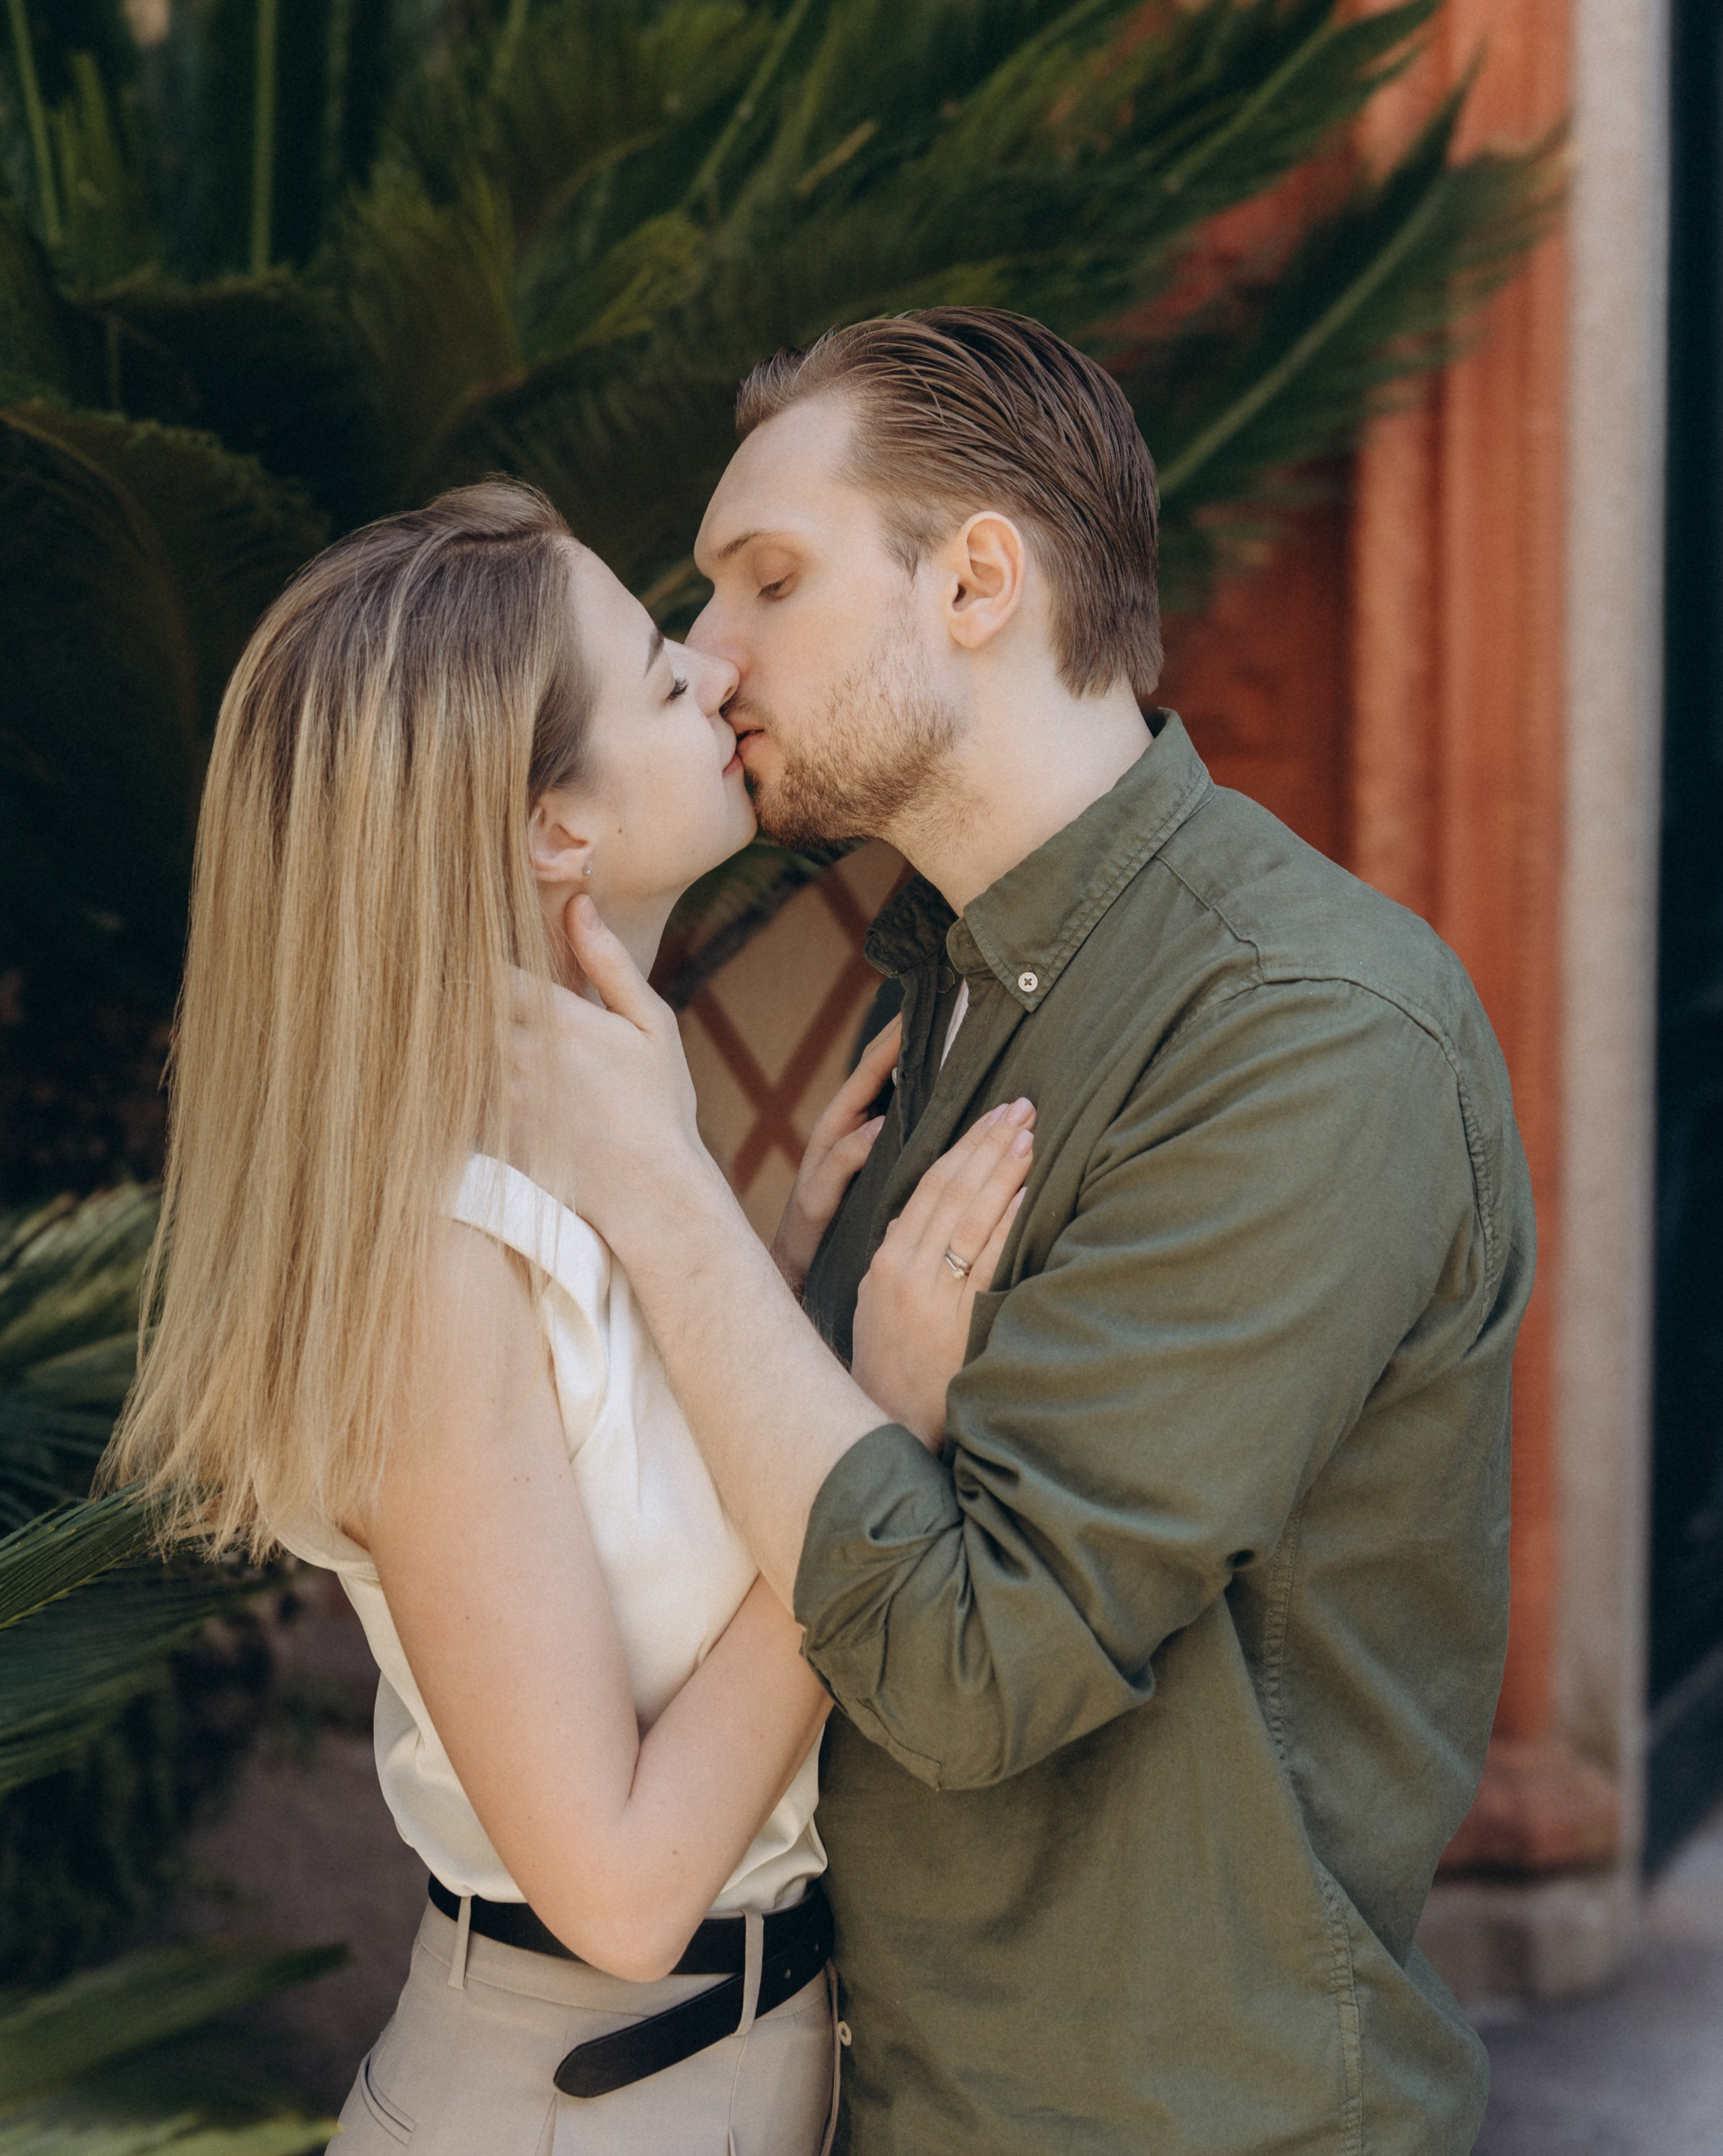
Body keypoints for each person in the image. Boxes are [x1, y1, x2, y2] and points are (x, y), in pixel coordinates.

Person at [508, 308, 1537, 2156]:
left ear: (977, 582)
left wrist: (664, 1191)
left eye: (768, 578)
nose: (706, 652)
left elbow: (977, 1667)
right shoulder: (944, 982)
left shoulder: (1305, 1033)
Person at [105, 481, 1029, 2155]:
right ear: (552, 830)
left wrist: (788, 1276)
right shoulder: (432, 1269)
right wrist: (879, 1434)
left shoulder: (616, 1164)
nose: (717, 670)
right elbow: (615, 1890)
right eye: (666, 681)